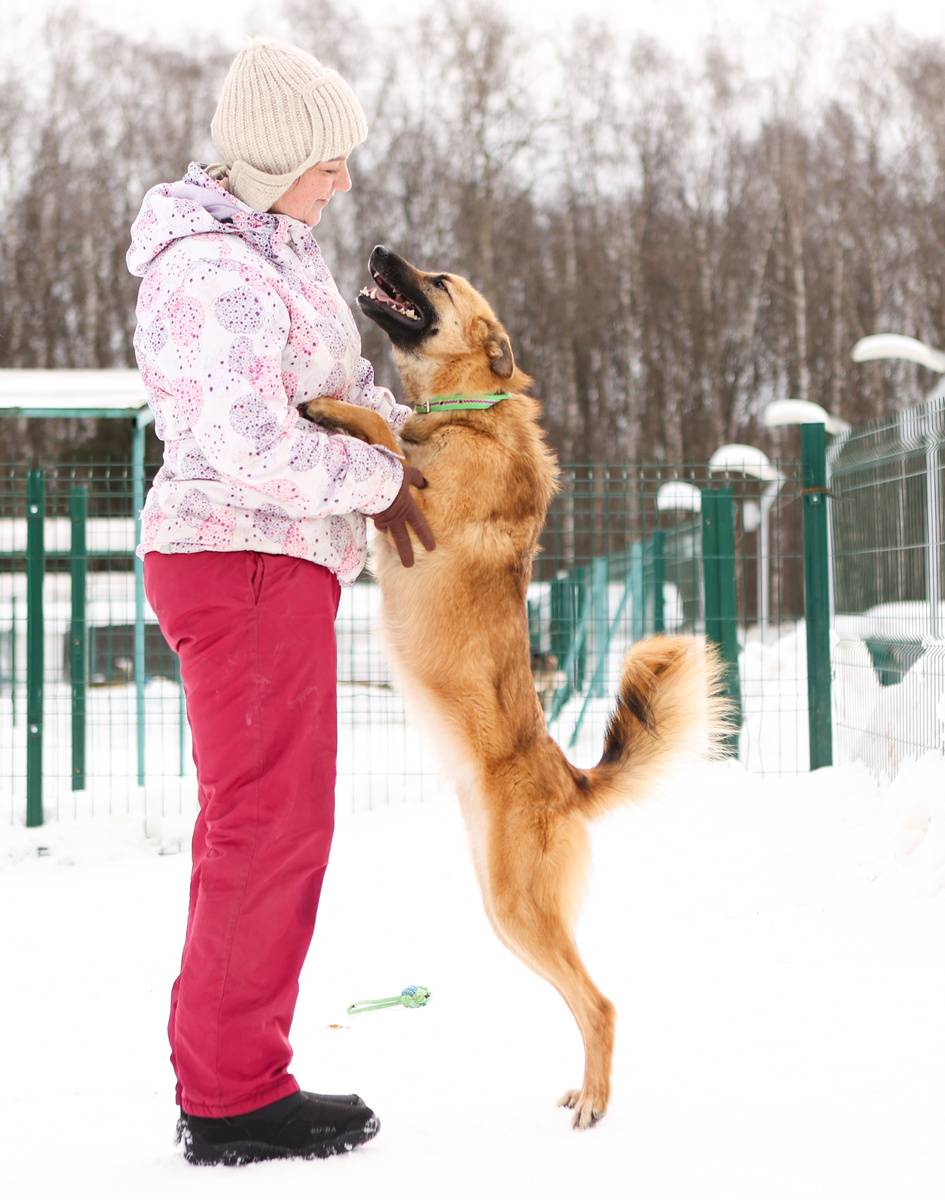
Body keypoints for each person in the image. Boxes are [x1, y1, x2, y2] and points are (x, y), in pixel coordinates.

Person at [126, 37, 434, 1167]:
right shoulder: (214, 271)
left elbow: (334, 391)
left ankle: (231, 1075)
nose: (342, 180)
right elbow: (247, 440)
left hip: (273, 560)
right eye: (326, 160)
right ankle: (231, 1097)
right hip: (241, 557)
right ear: (271, 161)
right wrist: (379, 482)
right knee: (267, 824)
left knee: (272, 820)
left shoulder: (275, 254)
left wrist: (411, 435)